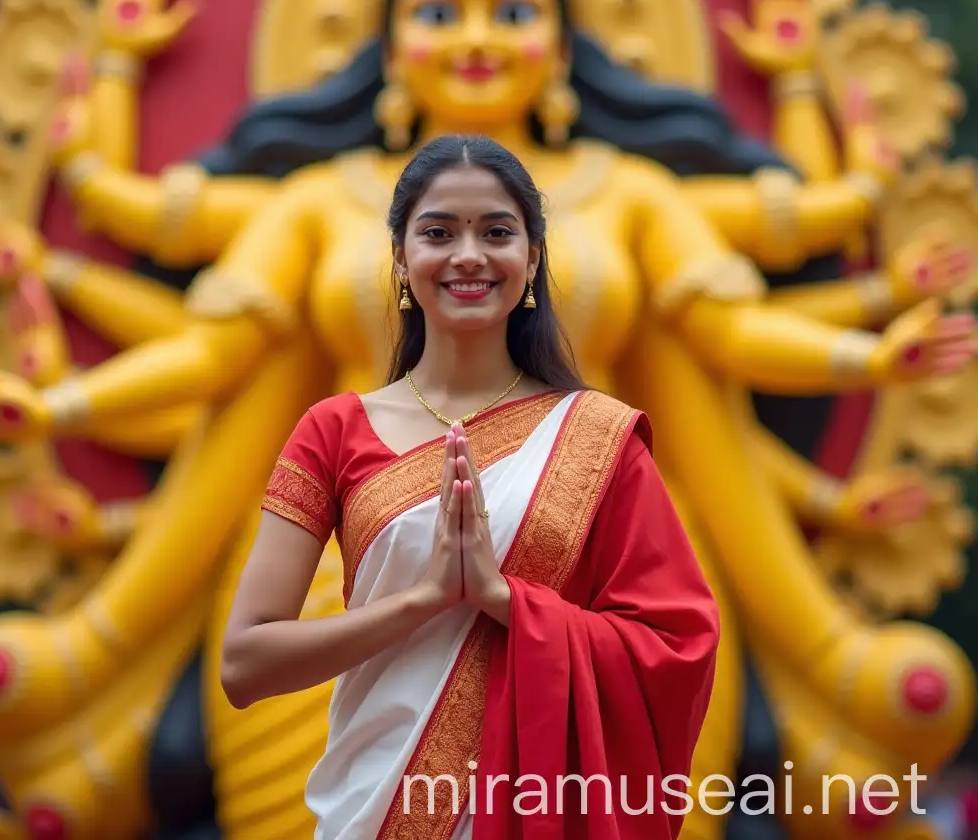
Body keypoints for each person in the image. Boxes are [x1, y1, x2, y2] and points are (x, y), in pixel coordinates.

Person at [219, 134, 720, 838]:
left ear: (532, 258)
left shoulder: (598, 439)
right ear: (400, 258)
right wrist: (424, 600)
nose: (468, 255)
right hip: (374, 809)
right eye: (437, 232)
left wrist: (499, 598)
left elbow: (676, 645)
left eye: (496, 232)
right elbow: (245, 665)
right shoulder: (332, 431)